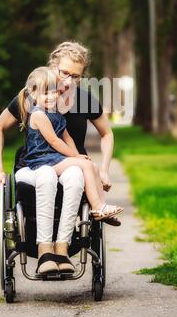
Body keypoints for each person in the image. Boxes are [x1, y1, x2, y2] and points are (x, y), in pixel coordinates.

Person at [0, 41, 118, 275]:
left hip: (72, 165)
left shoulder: (84, 99)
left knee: (75, 176)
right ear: (52, 66)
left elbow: (106, 133)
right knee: (49, 176)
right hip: (38, 164)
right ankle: (43, 250)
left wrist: (105, 169)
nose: (69, 81)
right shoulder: (34, 95)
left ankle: (62, 249)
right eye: (64, 73)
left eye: (76, 76)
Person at [23, 66, 123, 227]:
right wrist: (76, 158)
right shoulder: (39, 114)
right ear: (34, 94)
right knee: (85, 164)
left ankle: (102, 208)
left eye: (54, 92)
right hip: (42, 159)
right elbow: (55, 141)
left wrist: (77, 155)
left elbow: (66, 136)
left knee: (91, 165)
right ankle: (97, 206)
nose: (51, 97)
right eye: (45, 93)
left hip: (55, 158)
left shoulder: (55, 112)